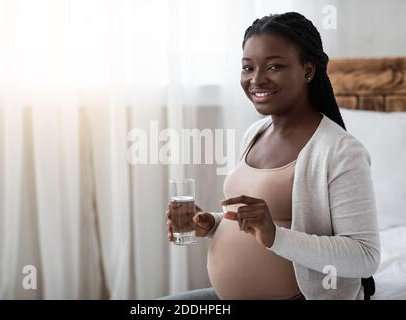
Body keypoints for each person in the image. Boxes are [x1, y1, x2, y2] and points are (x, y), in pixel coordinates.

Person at [159, 12, 380, 300]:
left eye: (274, 66)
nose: (257, 80)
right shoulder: (255, 133)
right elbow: (256, 223)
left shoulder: (341, 151)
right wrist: (212, 223)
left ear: (308, 70)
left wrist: (274, 236)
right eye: (247, 68)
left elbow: (365, 256)